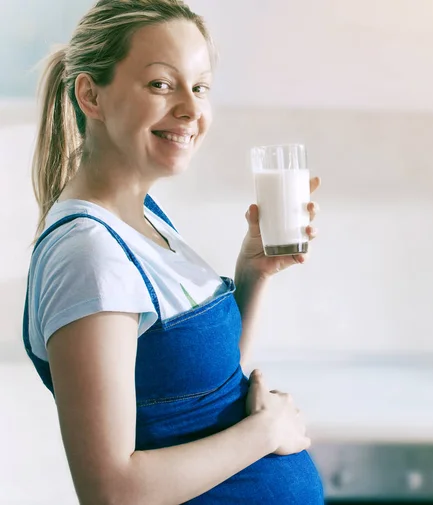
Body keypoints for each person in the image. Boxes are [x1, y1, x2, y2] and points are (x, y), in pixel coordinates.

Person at [21, 1, 324, 503]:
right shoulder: (88, 253)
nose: (190, 108)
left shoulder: (146, 220)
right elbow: (111, 490)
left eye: (200, 86)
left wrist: (253, 272)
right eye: (162, 84)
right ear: (90, 95)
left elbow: (204, 389)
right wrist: (266, 434)